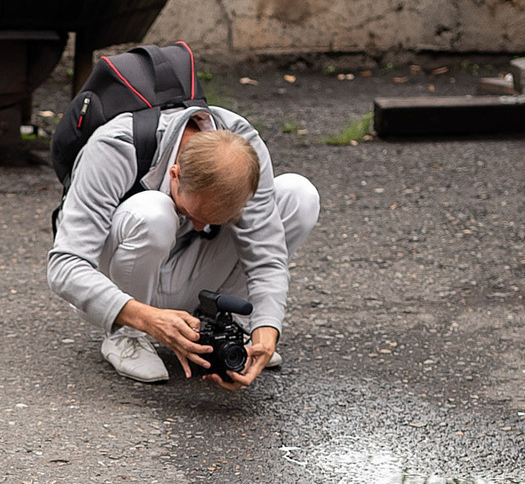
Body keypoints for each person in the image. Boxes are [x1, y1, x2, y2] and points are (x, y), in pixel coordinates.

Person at [46, 103, 320, 386]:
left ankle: (228, 324)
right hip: (120, 283)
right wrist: (147, 318)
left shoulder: (242, 142)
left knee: (299, 195)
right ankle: (126, 337)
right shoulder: (114, 147)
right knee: (153, 212)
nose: (202, 228)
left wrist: (267, 330)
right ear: (175, 175)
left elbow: (267, 254)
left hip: (186, 276)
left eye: (218, 220)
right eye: (194, 216)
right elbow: (65, 265)